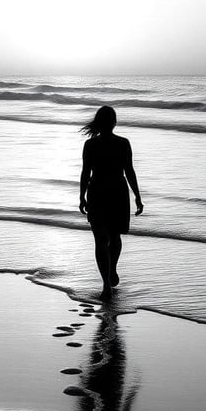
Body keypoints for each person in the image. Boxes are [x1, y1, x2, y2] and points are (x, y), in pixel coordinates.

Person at [79, 106, 143, 300]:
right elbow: (129, 171)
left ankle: (106, 282)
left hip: (97, 191)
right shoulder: (123, 143)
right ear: (114, 122)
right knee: (114, 237)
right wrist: (137, 196)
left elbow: (85, 173)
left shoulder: (91, 145)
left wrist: (81, 196)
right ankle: (111, 270)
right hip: (117, 191)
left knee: (100, 240)